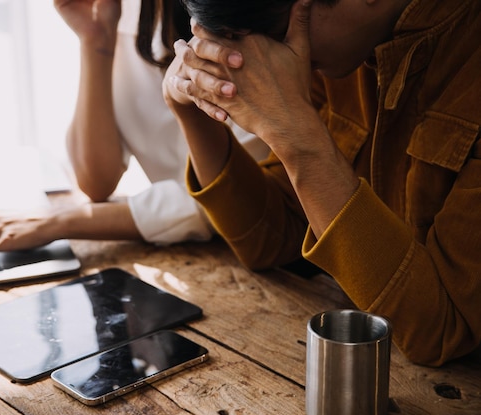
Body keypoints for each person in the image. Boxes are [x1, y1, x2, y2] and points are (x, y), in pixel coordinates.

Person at [162, 0, 481, 367]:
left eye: (274, 34)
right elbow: (273, 236)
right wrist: (191, 107)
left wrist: (301, 138)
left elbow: (441, 330)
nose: (261, 56)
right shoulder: (343, 50)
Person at [0, 0, 266, 270]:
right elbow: (96, 179)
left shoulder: (240, 21)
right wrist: (96, 40)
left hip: (269, 260)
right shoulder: (127, 13)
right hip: (189, 261)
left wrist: (61, 221)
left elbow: (237, 198)